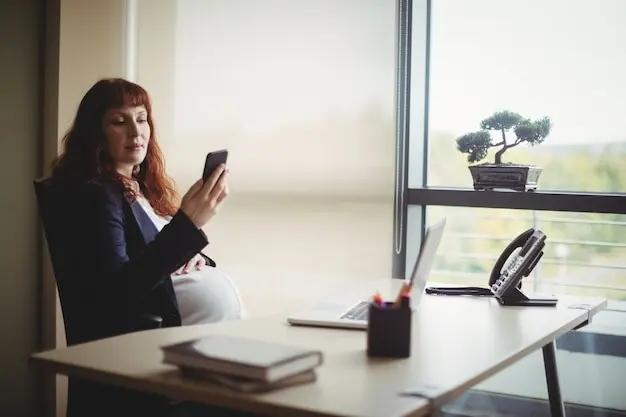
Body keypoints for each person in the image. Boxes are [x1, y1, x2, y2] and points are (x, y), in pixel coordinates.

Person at [47, 77, 248, 416]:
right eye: (119, 121)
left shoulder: (139, 188)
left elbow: (157, 251)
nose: (135, 131)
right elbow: (118, 289)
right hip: (168, 364)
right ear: (95, 133)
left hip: (206, 358)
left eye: (141, 119)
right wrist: (188, 226)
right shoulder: (98, 195)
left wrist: (192, 253)